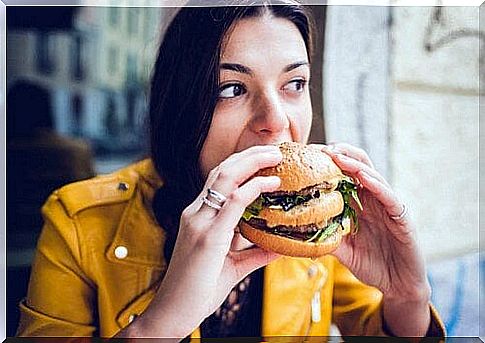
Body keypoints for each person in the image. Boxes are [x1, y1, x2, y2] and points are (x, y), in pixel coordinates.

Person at [16, 1, 445, 339]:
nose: (275, 120)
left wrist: (406, 296)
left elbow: (375, 326)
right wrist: (160, 325)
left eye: (294, 84)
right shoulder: (76, 222)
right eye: (232, 89)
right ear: (182, 105)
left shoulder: (314, 222)